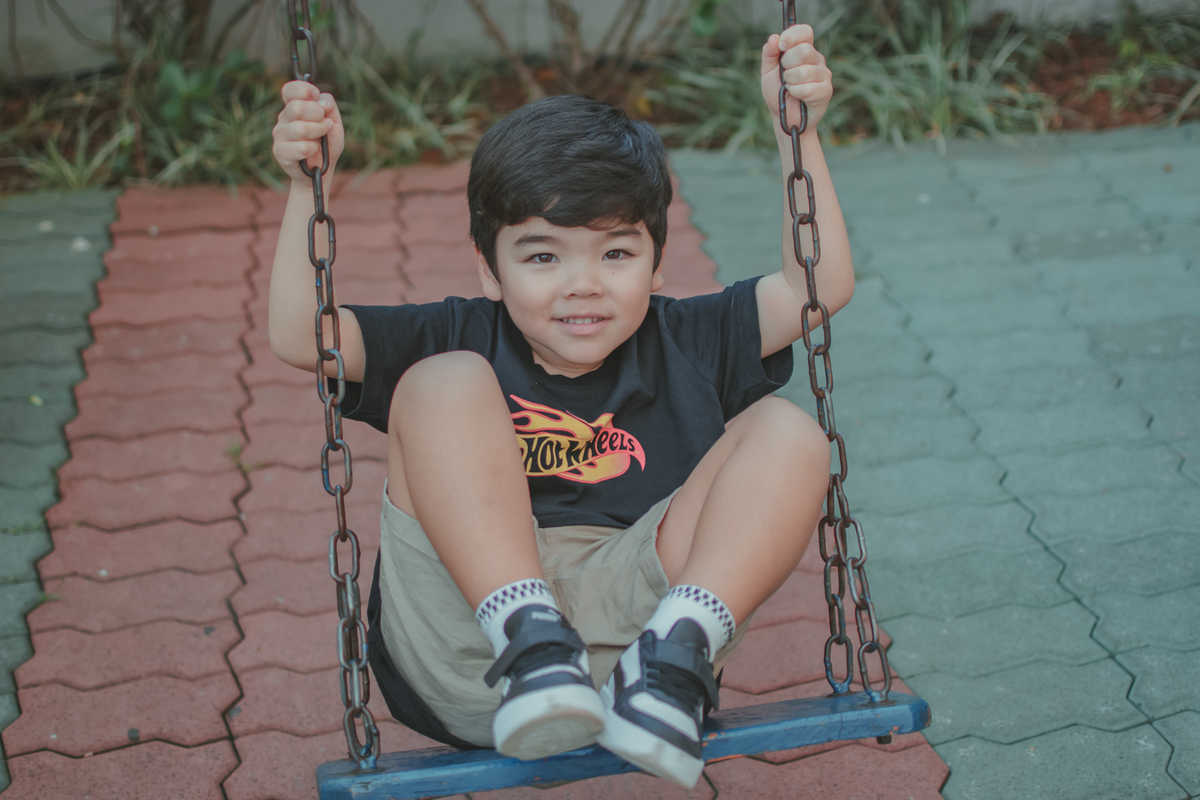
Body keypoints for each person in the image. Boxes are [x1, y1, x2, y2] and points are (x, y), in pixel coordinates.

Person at [268, 23, 850, 789]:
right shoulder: (459, 330)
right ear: (490, 267)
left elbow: (816, 289)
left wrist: (794, 135)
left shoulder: (689, 339)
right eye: (543, 256)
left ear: (655, 261)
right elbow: (302, 335)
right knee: (444, 380)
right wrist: (305, 185)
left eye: (615, 253)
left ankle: (679, 653)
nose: (583, 284)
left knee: (789, 431)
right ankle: (533, 641)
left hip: (633, 646)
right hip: (470, 651)